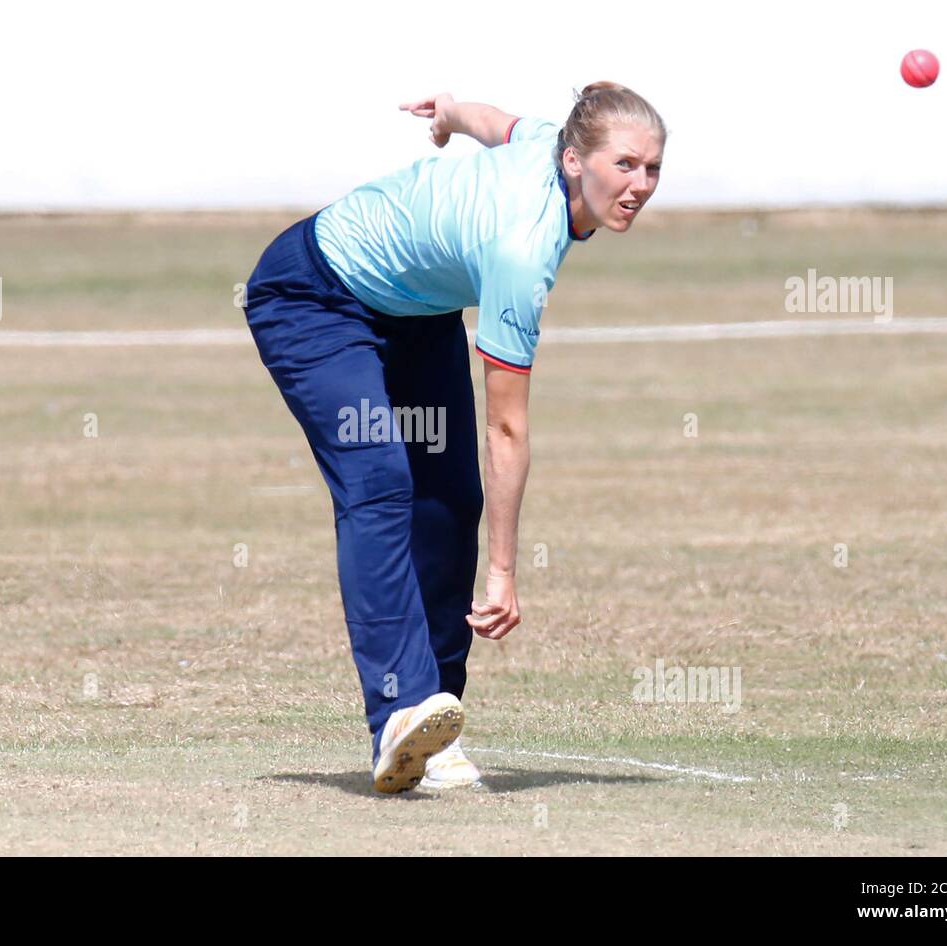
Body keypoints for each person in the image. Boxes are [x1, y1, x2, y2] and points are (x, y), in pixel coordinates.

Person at [243, 82, 666, 793]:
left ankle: (432, 729)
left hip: (415, 312)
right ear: (574, 160)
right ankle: (399, 709)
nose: (640, 185)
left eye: (652, 168)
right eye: (624, 165)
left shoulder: (544, 142)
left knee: (446, 499)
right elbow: (505, 427)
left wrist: (449, 114)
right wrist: (502, 571)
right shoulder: (521, 248)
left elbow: (493, 122)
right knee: (378, 481)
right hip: (313, 298)